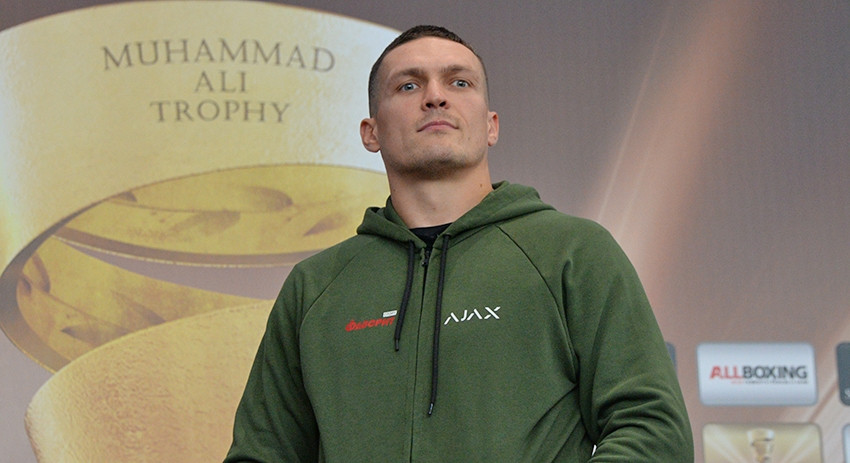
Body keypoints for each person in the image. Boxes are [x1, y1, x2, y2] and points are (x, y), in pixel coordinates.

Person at [224, 25, 693, 462]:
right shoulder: (314, 286)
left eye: (459, 82)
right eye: (409, 85)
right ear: (371, 132)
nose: (435, 97)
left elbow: (652, 430)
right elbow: (261, 454)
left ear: (491, 125)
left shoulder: (573, 252)